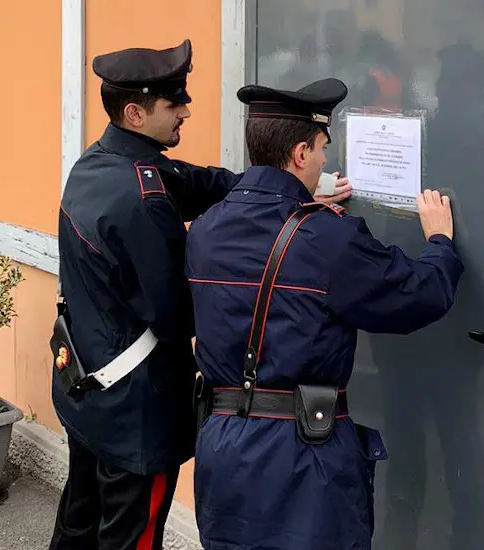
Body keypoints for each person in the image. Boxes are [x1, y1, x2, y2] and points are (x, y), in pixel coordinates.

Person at [49, 39, 350, 550]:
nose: (186, 110)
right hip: (135, 412)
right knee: (130, 537)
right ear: (135, 112)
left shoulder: (105, 164)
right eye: (173, 104)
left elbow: (201, 182)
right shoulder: (140, 201)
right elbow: (176, 313)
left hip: (86, 390)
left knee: (78, 525)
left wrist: (282, 190)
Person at [184, 77, 463, 549]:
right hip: (302, 456)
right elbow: (418, 295)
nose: (324, 161)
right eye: (320, 149)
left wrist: (302, 206)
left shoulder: (207, 227)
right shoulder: (328, 238)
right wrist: (439, 242)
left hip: (223, 448)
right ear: (299, 155)